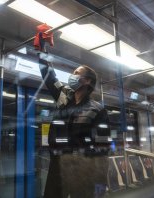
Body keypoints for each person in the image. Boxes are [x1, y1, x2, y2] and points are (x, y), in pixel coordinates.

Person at [38, 53, 111, 198]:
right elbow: (49, 77)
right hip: (58, 164)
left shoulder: (97, 110)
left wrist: (100, 184)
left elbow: (103, 148)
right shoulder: (64, 97)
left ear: (87, 81)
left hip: (82, 168)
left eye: (76, 73)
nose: (72, 76)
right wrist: (42, 51)